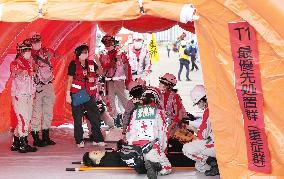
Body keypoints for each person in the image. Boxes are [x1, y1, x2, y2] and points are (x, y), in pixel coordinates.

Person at [124, 86, 172, 178]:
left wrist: (133, 148)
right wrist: (162, 150)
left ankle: (145, 165)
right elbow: (163, 134)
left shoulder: (135, 112)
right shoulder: (159, 112)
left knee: (143, 168)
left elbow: (129, 132)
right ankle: (155, 165)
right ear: (156, 99)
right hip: (151, 148)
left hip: (136, 152)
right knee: (167, 168)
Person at [66, 44, 105, 148]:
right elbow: (70, 79)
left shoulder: (91, 63)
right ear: (78, 54)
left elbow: (101, 73)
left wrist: (98, 62)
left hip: (89, 95)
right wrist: (67, 94)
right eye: (83, 52)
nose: (85, 54)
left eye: (86, 52)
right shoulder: (73, 64)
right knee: (78, 119)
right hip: (77, 95)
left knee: (95, 117)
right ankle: (79, 140)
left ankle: (98, 138)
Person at [182, 85, 219, 176]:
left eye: (198, 103)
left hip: (217, 145)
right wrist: (190, 123)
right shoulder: (216, 106)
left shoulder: (209, 110)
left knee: (186, 149)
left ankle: (214, 164)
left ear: (202, 100)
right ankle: (215, 165)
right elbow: (206, 125)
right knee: (199, 166)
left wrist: (192, 129)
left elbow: (202, 135)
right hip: (223, 142)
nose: (198, 106)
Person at [10, 39, 37, 153]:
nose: (29, 53)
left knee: (27, 119)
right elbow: (15, 72)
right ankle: (23, 144)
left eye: (29, 50)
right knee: (23, 119)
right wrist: (22, 72)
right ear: (21, 51)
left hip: (29, 95)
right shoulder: (15, 63)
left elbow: (32, 75)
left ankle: (16, 142)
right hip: (19, 95)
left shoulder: (30, 63)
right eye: (26, 50)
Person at [99, 35, 132, 126]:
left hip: (119, 80)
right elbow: (100, 69)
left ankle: (130, 118)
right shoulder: (103, 54)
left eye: (110, 43)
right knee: (111, 101)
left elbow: (127, 68)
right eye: (106, 44)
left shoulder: (121, 54)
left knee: (124, 100)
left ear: (113, 43)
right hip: (108, 81)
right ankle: (115, 121)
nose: (108, 45)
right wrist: (109, 65)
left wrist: (128, 82)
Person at [29, 33, 56, 147]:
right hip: (37, 86)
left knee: (48, 111)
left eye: (38, 41)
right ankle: (35, 137)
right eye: (34, 41)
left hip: (48, 84)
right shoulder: (28, 55)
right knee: (37, 112)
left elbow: (55, 54)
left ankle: (46, 136)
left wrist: (48, 54)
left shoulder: (45, 51)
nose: (36, 43)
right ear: (31, 43)